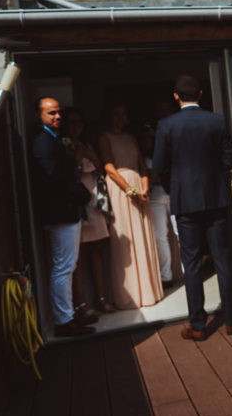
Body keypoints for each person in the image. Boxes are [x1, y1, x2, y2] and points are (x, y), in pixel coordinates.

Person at [152, 75, 232, 340]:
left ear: (176, 97)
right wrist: (215, 181)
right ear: (201, 94)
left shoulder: (166, 125)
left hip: (185, 202)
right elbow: (229, 159)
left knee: (191, 264)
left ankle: (198, 325)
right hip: (216, 198)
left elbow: (158, 167)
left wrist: (174, 188)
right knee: (223, 260)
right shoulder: (216, 120)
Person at [29, 97, 96, 337]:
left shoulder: (51, 139)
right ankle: (63, 321)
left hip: (66, 211)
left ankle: (67, 316)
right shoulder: (43, 142)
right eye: (51, 113)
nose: (57, 117)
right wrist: (83, 196)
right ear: (39, 115)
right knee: (63, 267)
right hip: (61, 213)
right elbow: (58, 177)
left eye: (58, 113)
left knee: (67, 265)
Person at [98, 102, 164, 309]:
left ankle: (149, 291)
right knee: (124, 239)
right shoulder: (104, 138)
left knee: (143, 238)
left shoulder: (131, 138)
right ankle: (130, 295)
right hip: (120, 190)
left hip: (139, 189)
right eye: (116, 113)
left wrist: (144, 188)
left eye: (123, 114)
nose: (120, 118)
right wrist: (129, 191)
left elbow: (142, 166)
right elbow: (109, 168)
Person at [63, 108, 116, 318]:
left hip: (93, 200)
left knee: (96, 251)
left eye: (79, 122)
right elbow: (68, 175)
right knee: (79, 256)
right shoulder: (64, 146)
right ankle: (81, 303)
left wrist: (88, 153)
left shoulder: (87, 144)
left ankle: (101, 298)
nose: (76, 126)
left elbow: (101, 169)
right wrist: (76, 157)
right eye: (72, 122)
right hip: (78, 202)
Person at [140, 122, 180, 287]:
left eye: (153, 135)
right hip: (155, 195)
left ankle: (189, 271)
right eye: (148, 136)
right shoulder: (142, 155)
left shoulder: (168, 150)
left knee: (182, 232)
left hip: (173, 193)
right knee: (160, 236)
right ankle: (166, 276)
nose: (151, 139)